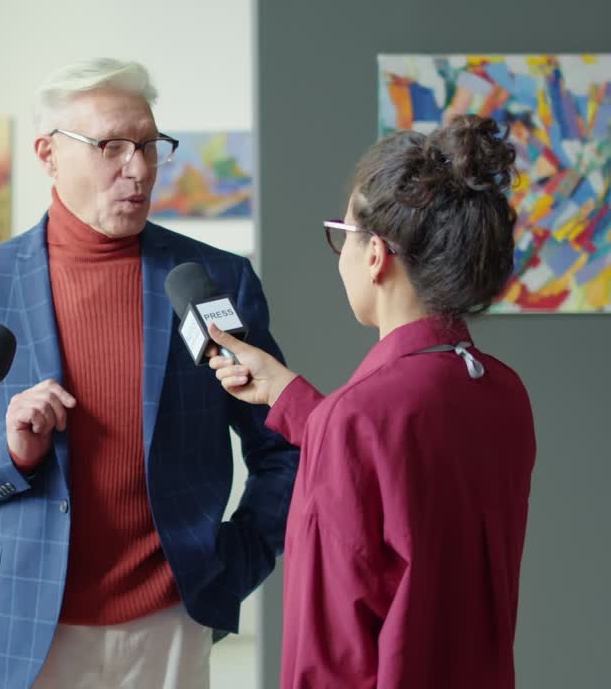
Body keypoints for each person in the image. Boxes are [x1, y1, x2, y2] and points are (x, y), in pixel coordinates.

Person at [0, 58, 299, 689]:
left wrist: (237, 560)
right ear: (48, 153)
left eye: (149, 145)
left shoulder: (216, 281)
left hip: (169, 625)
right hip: (24, 627)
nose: (138, 169)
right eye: (111, 146)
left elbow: (284, 445)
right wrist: (12, 452)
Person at [207, 115, 537, 688]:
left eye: (344, 234)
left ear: (377, 254)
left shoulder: (358, 418)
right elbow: (399, 491)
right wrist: (288, 396)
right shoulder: (502, 391)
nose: (341, 255)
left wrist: (327, 420)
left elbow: (329, 652)